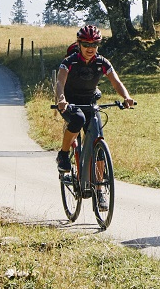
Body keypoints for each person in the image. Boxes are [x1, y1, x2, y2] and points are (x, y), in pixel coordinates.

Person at [54, 25, 135, 200]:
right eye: (86, 44)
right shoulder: (69, 62)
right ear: (79, 44)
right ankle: (63, 155)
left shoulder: (102, 62)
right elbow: (60, 83)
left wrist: (127, 97)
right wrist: (61, 100)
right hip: (69, 103)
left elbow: (116, 82)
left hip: (90, 102)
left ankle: (99, 190)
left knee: (98, 140)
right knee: (77, 119)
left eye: (94, 45)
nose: (90, 48)